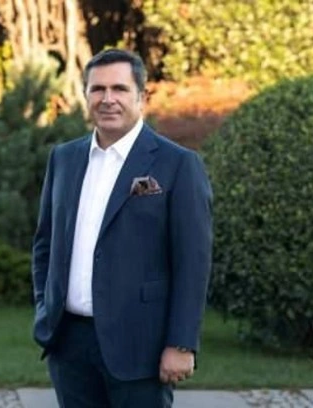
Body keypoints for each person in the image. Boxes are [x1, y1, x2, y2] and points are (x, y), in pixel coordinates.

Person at [31, 48, 213, 408]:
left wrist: (181, 343)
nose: (107, 99)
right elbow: (45, 245)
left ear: (141, 96)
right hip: (69, 343)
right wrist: (44, 309)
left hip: (142, 345)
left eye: (119, 89)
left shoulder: (178, 164)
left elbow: (193, 263)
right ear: (86, 95)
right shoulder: (64, 158)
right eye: (97, 89)